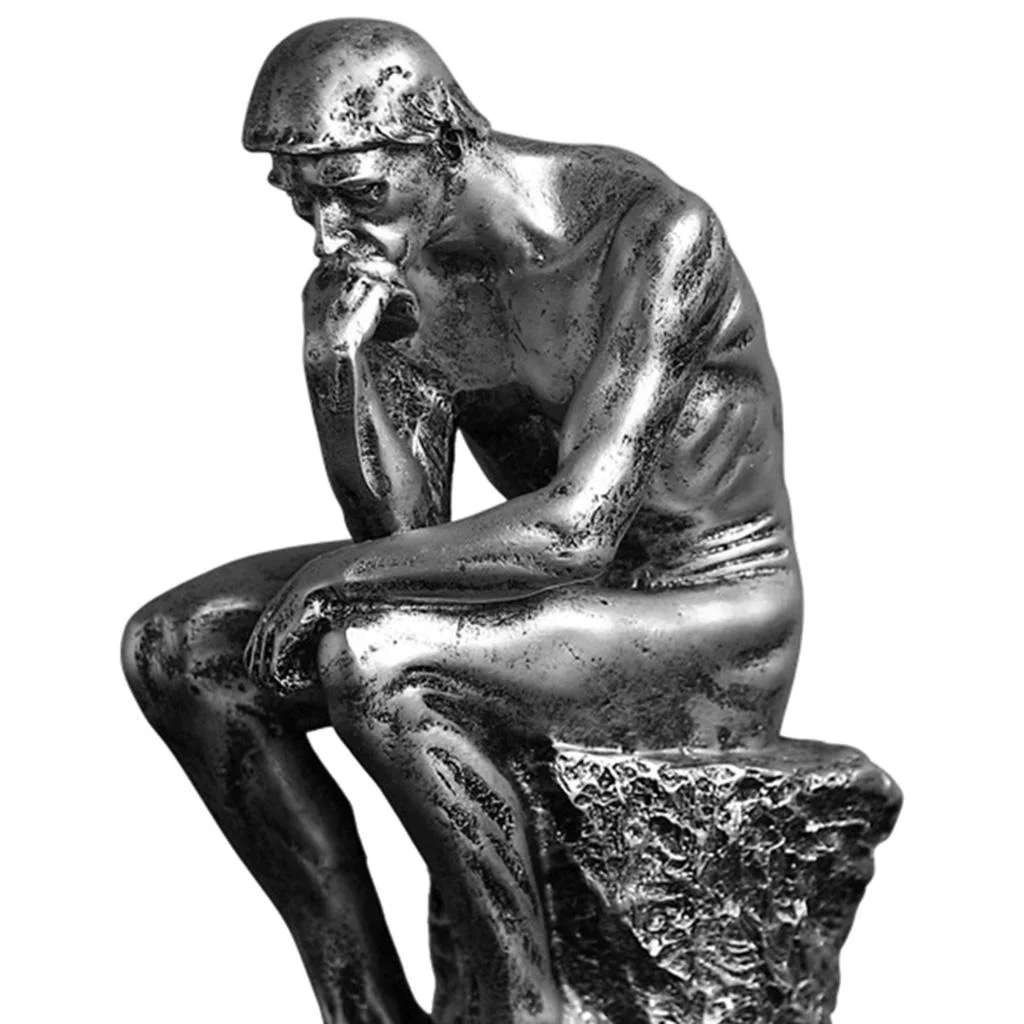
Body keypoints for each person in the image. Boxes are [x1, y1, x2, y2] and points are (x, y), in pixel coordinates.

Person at [122, 18, 803, 1024]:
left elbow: (578, 530)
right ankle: (364, 1007)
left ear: (443, 140)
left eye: (357, 194)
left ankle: (527, 1006)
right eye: (302, 201)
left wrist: (339, 583)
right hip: (545, 600)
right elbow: (399, 533)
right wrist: (336, 366)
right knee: (177, 648)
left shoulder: (651, 233)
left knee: (379, 660)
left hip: (706, 608)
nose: (329, 234)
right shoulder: (400, 266)